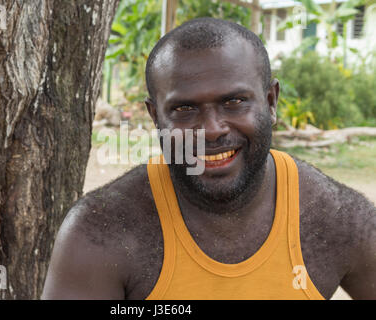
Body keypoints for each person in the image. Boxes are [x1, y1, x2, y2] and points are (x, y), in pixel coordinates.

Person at [41, 18, 376, 300]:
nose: (212, 130)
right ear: (156, 117)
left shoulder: (337, 218)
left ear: (271, 102)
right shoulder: (102, 231)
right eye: (184, 109)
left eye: (234, 102)